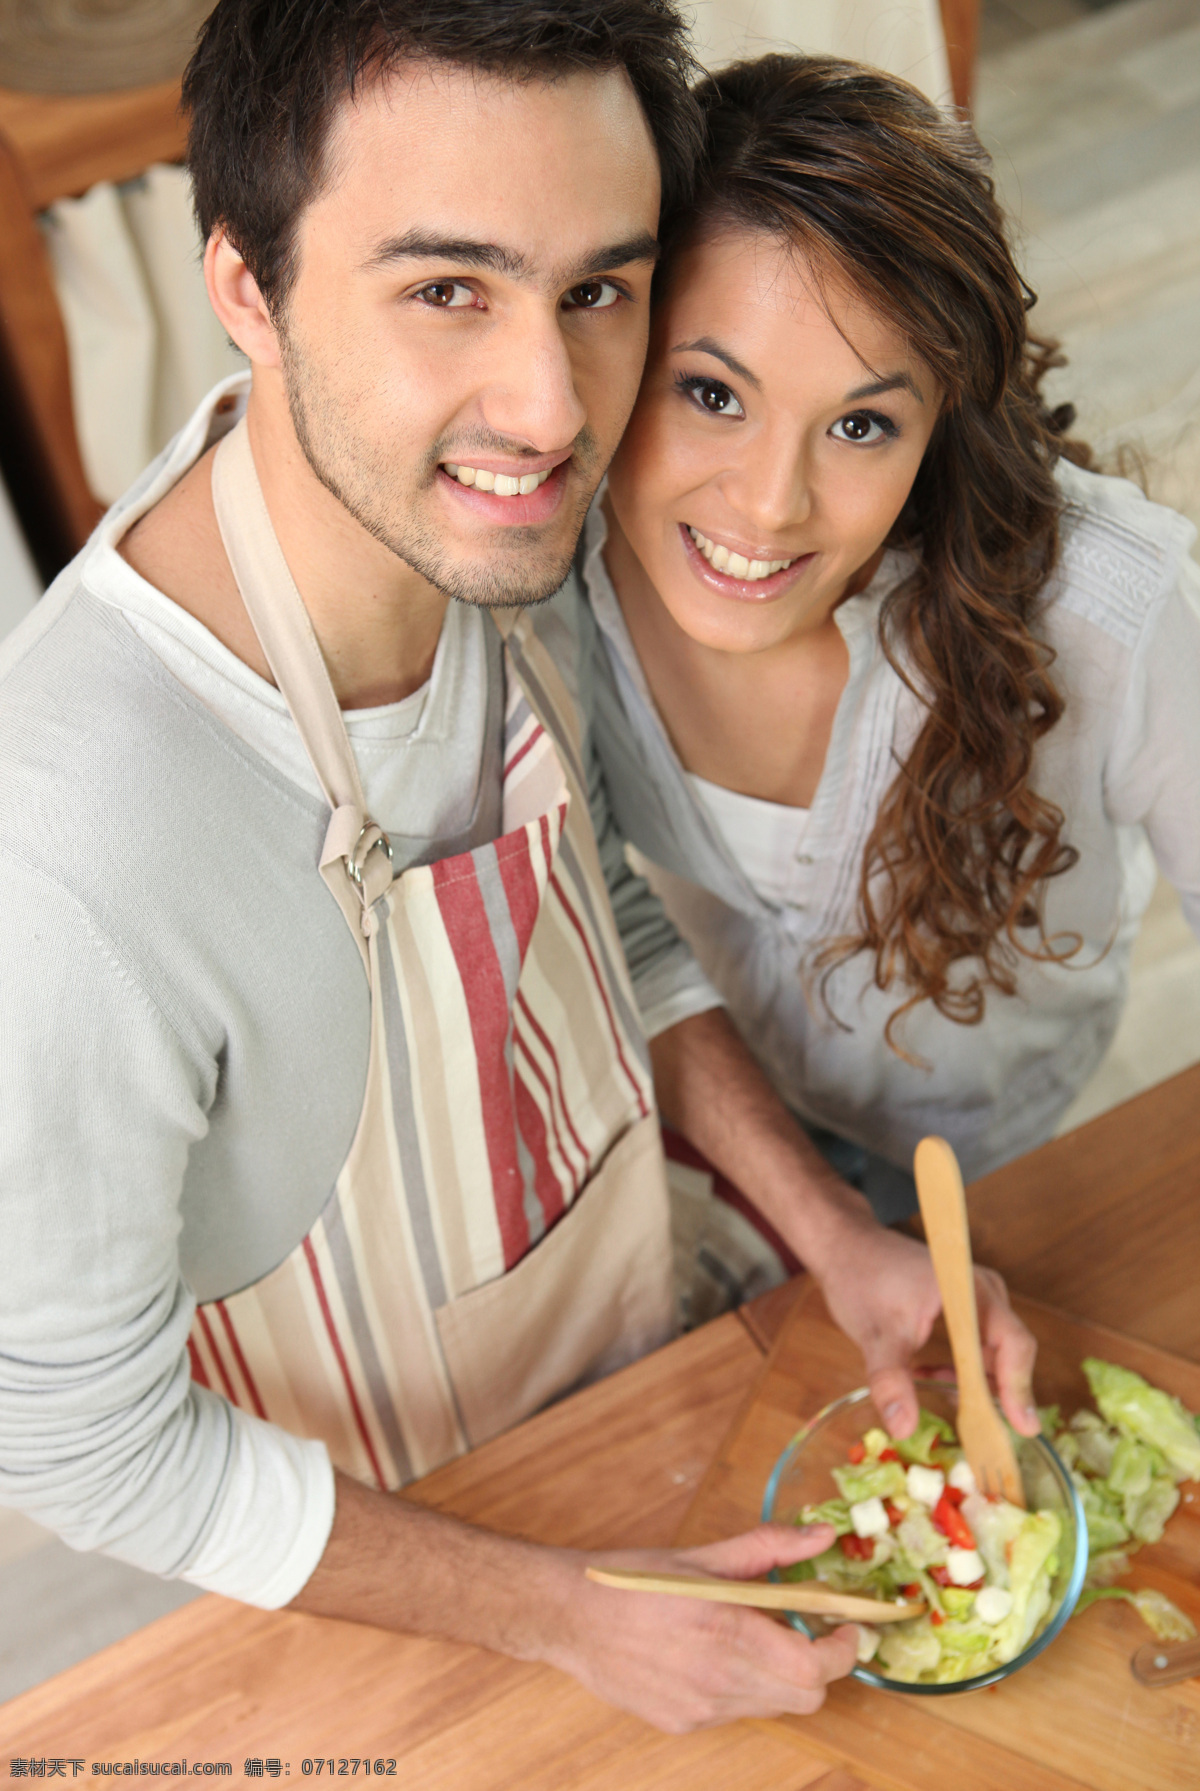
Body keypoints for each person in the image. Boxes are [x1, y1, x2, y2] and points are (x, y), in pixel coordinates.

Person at [0, 8, 1035, 1733]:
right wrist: (567, 1618)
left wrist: (822, 1229)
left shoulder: (471, 529)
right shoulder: (74, 866)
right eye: (447, 289)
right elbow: (78, 1447)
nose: (553, 406)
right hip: (409, 1559)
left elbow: (585, 909)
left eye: (599, 287)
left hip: (657, 1362)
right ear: (246, 288)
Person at [587, 54, 1200, 1246]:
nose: (769, 507)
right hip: (742, 1115)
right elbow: (600, 890)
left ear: (940, 423)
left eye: (862, 424)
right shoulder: (549, 579)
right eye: (712, 393)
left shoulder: (1112, 614)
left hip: (1016, 1128)